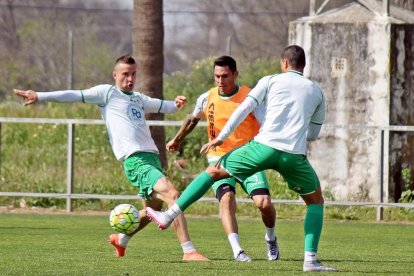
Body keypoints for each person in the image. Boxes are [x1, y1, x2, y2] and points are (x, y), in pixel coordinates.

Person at [146, 45, 338, 272]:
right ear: (303, 65)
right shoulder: (317, 92)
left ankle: (170, 215)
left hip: (262, 148)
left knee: (213, 172)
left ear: (284, 63)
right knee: (315, 202)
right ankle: (310, 260)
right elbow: (313, 135)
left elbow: (244, 108)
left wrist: (222, 137)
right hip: (293, 155)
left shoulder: (270, 81)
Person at [14, 54, 208, 262]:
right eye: (125, 74)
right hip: (135, 161)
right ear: (115, 75)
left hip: (151, 159)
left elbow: (165, 106)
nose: (130, 79)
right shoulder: (107, 93)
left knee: (153, 210)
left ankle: (121, 239)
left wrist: (177, 103)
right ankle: (188, 250)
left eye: (133, 74)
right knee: (173, 194)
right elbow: (74, 95)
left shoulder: (138, 98)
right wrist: (40, 96)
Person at [166, 56, 279, 262]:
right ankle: (238, 250)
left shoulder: (250, 97)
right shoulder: (206, 97)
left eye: (225, 76)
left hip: (249, 157)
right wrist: (177, 139)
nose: (220, 80)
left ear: (235, 75)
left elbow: (265, 125)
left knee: (263, 203)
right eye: (217, 76)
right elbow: (193, 119)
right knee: (226, 200)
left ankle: (270, 238)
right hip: (219, 158)